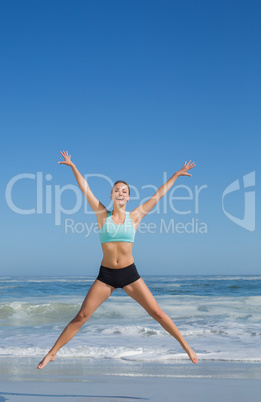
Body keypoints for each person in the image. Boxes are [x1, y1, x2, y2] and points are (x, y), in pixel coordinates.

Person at [37, 151, 198, 369]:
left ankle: (186, 346)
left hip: (129, 274)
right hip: (107, 276)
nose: (120, 193)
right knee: (81, 316)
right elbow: (85, 188)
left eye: (124, 191)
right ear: (111, 195)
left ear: (129, 197)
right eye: (116, 190)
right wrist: (73, 165)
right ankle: (52, 353)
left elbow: (158, 195)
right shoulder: (102, 214)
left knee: (157, 313)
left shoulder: (136, 216)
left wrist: (177, 174)